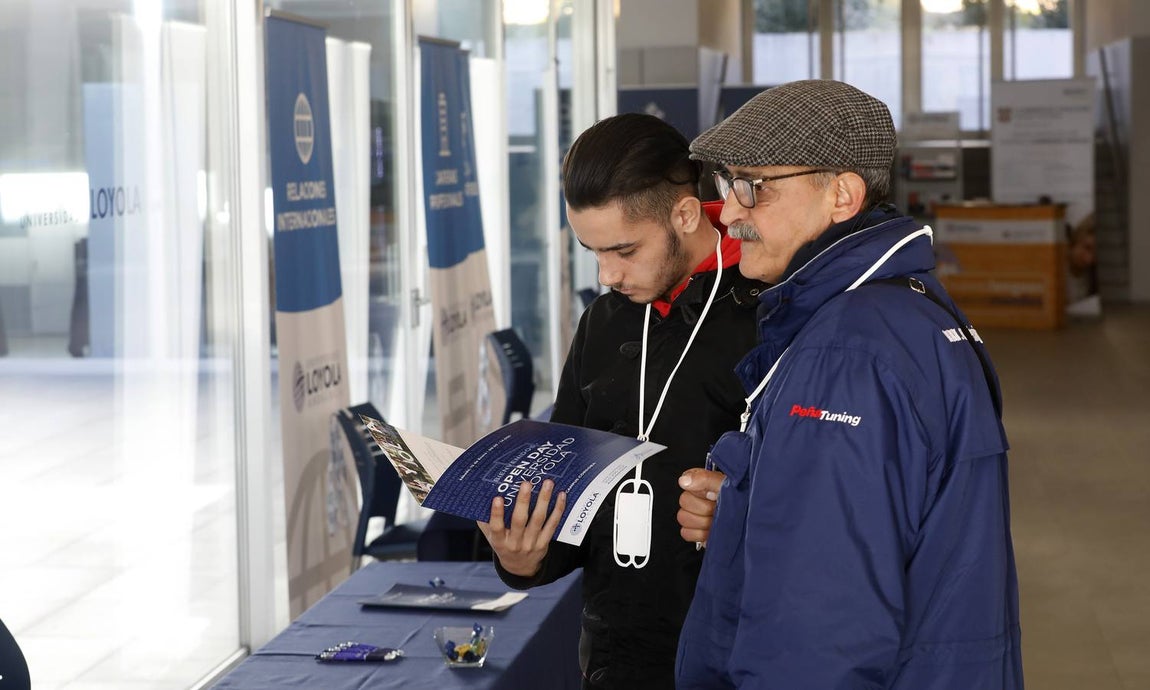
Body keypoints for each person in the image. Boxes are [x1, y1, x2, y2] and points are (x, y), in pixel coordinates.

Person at [674, 80, 1024, 689]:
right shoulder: (910, 312)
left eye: (752, 185)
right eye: (727, 184)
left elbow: (819, 632)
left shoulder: (846, 355)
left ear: (842, 195)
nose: (729, 212)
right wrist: (747, 506)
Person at [476, 112, 765, 689]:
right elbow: (565, 489)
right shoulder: (604, 324)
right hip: (616, 653)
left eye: (625, 250)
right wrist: (523, 559)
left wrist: (739, 509)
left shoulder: (767, 310)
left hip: (735, 653)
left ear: (684, 214)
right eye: (593, 251)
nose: (608, 274)